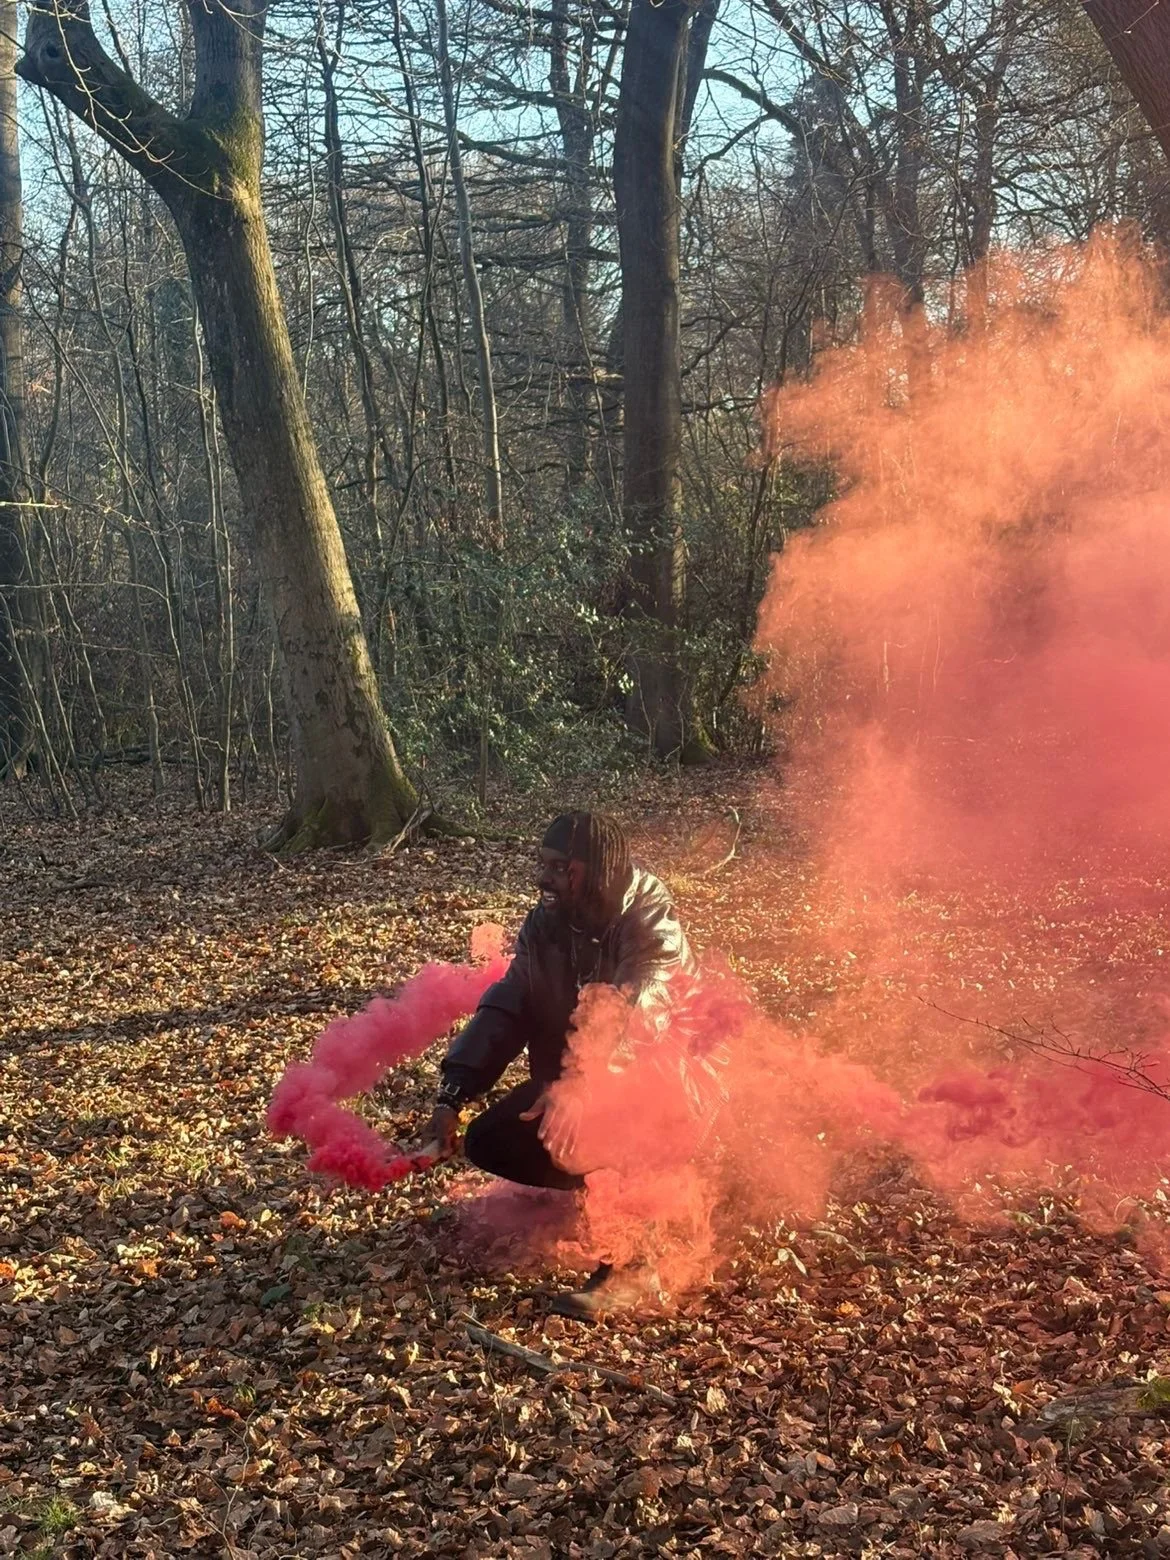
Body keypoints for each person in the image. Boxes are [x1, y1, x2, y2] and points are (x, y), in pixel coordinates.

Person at [425, 811, 697, 1319]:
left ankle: (636, 1264)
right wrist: (453, 1094)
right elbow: (511, 1002)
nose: (541, 879)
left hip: (665, 1087)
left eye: (555, 867)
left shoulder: (650, 920)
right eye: (541, 865)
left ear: (586, 870)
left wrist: (583, 1091)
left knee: (619, 1114)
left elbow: (642, 1016)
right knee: (490, 1139)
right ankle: (597, 1190)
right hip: (583, 1081)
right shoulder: (546, 922)